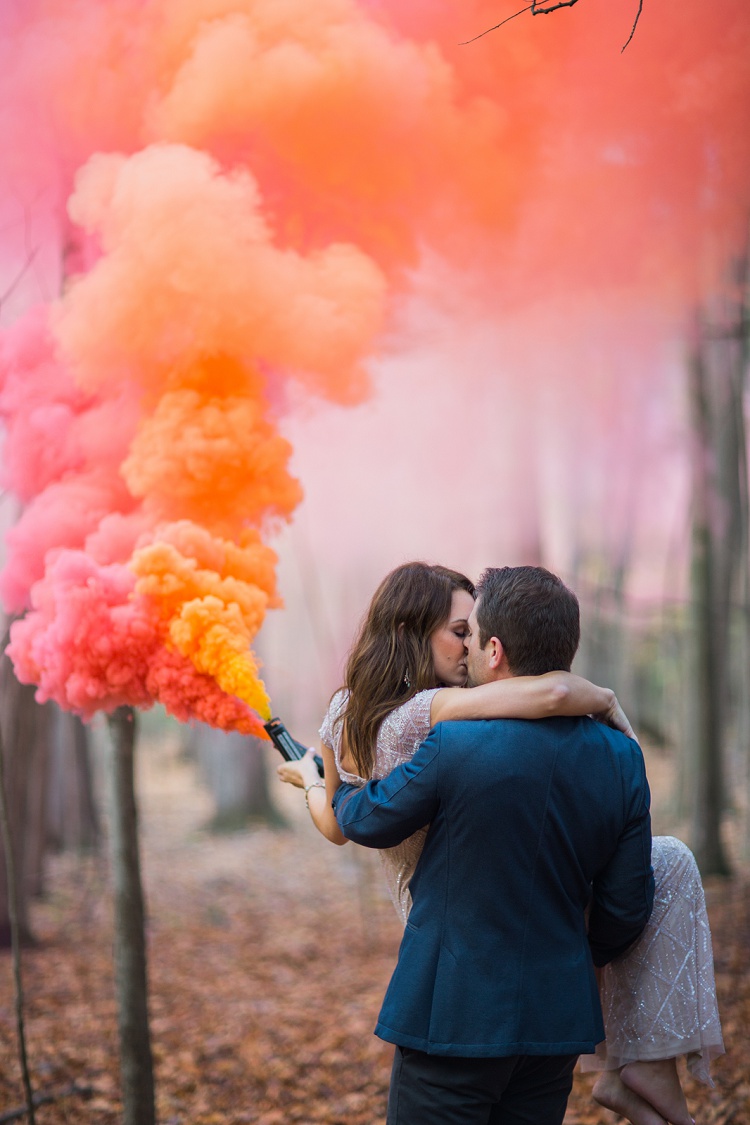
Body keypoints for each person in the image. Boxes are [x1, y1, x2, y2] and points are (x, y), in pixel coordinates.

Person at [278, 562, 723, 1125]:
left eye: (471, 635)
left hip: (451, 1016)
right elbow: (625, 905)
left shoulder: (452, 741)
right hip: (555, 1023)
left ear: (494, 649)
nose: (462, 651)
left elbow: (366, 821)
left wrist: (325, 787)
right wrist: (574, 957)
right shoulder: (621, 755)